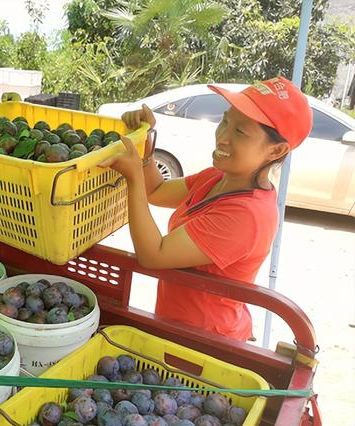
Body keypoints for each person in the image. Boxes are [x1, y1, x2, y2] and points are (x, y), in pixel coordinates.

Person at [101, 77, 313, 340]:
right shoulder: (217, 177)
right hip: (176, 323)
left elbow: (153, 254)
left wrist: (133, 177)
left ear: (276, 150)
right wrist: (145, 142)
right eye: (225, 121)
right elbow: (156, 191)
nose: (222, 137)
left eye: (240, 132)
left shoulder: (247, 215)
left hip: (205, 339)